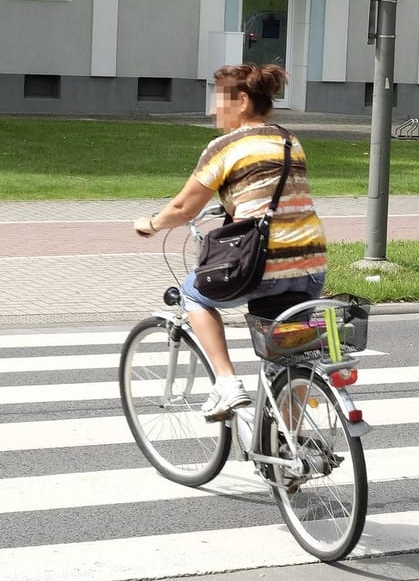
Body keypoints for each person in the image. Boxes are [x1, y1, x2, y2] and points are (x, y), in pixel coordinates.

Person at [134, 63, 327, 420]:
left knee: (193, 293)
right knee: (285, 359)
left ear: (241, 101)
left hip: (262, 267)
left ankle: (226, 383)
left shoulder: (225, 146)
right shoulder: (288, 140)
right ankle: (290, 452)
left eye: (217, 100)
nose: (211, 110)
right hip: (310, 266)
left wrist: (151, 224)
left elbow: (183, 207)